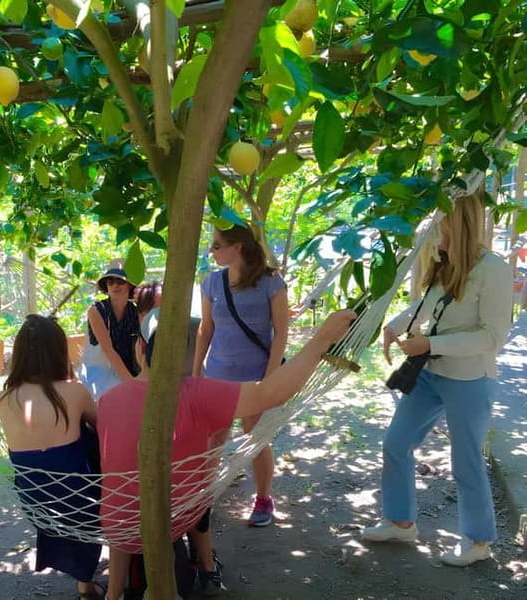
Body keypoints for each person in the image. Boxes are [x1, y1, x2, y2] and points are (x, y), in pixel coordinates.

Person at [99, 307, 356, 598]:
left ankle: (113, 593)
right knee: (200, 487)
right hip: (174, 517)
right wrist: (322, 339)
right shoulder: (196, 392)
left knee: (153, 489)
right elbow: (270, 393)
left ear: (141, 348)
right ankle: (207, 567)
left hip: (116, 520)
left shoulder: (108, 399)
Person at [360, 189, 513, 567]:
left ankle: (478, 543)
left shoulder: (493, 269)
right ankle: (400, 521)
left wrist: (432, 342)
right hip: (431, 374)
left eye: (440, 223)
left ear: (457, 223)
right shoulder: (449, 261)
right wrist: (395, 326)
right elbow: (427, 304)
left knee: (466, 461)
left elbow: (493, 337)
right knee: (396, 443)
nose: (434, 230)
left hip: (469, 380)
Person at [0, 315, 104, 599]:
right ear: (59, 352)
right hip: (77, 495)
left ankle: (82, 580)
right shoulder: (74, 391)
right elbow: (103, 426)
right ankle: (86, 583)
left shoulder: (2, 398)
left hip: (34, 496)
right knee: (90, 437)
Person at [193, 224, 289, 527]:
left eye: (217, 245)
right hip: (218, 375)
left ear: (238, 247)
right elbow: (205, 329)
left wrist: (271, 377)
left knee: (256, 437)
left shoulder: (270, 282)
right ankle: (204, 495)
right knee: (214, 438)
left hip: (256, 377)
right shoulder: (211, 282)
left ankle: (263, 499)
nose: (212, 250)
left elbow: (281, 333)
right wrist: (196, 372)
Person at [79, 267, 141, 399]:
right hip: (99, 373)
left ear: (129, 285)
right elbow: (107, 349)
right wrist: (132, 383)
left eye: (120, 281)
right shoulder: (96, 310)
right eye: (110, 282)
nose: (115, 285)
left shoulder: (136, 312)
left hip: (129, 370)